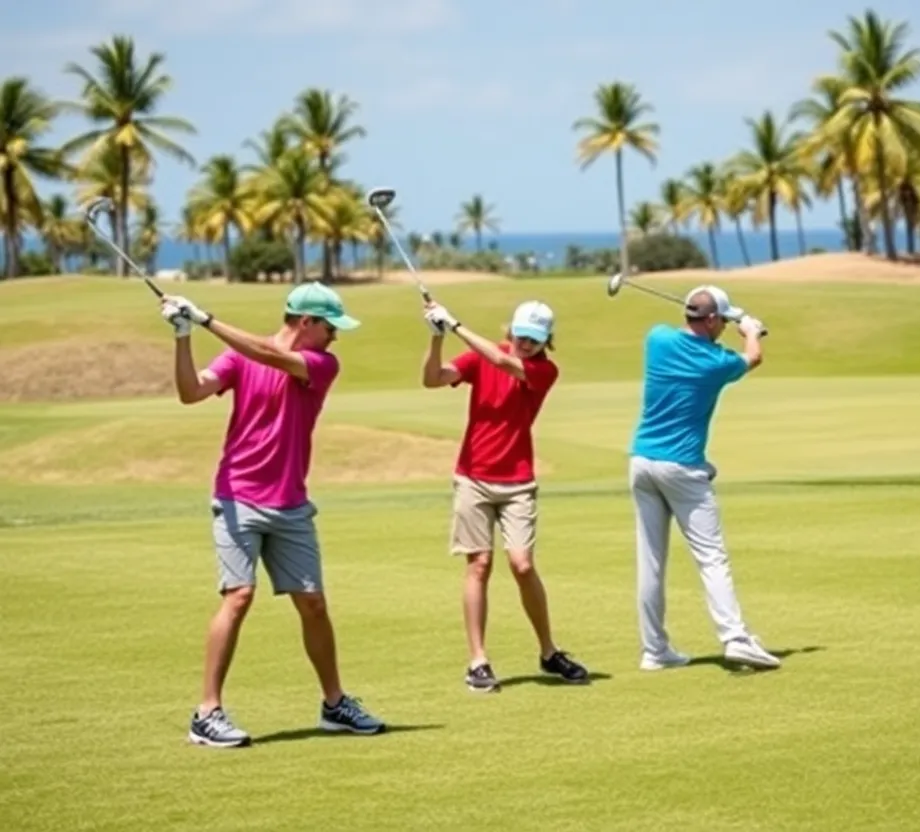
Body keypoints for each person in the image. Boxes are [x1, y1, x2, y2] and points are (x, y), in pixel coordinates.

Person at [160, 282, 386, 748]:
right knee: (238, 596)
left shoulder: (321, 364)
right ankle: (207, 713)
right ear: (306, 322)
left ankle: (335, 704)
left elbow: (270, 356)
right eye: (329, 327)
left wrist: (206, 320)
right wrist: (183, 335)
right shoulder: (241, 358)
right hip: (237, 495)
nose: (335, 337)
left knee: (314, 604)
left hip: (291, 504)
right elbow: (190, 392)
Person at [420, 298, 590, 693]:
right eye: (521, 335)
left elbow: (505, 365)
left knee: (522, 565)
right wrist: (436, 339)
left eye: (534, 339)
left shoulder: (544, 370)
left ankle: (549, 651)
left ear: (547, 340)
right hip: (473, 478)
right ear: (510, 329)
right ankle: (478, 660)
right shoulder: (481, 356)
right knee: (478, 565)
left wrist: (456, 323)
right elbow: (433, 379)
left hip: (517, 481)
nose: (525, 344)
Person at [628, 285, 781, 671]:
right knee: (711, 556)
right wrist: (749, 331)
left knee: (651, 561)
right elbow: (753, 358)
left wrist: (731, 322)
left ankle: (654, 651)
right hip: (681, 468)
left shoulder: (656, 338)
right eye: (722, 322)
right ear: (711, 320)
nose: (724, 328)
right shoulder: (716, 363)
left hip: (642, 462)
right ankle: (735, 638)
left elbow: (687, 330)